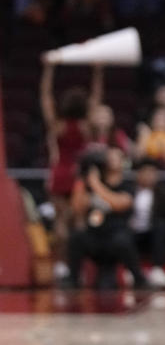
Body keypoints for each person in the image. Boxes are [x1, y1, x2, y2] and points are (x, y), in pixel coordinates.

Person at [40, 58, 99, 277]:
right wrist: (97, 72)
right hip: (77, 175)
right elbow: (96, 99)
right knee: (80, 222)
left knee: (61, 221)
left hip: (59, 173)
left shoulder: (58, 126)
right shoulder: (86, 126)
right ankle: (80, 265)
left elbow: (45, 99)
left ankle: (62, 264)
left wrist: (49, 70)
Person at [67, 147, 147, 289]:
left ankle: (139, 278)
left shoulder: (127, 184)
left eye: (115, 157)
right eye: (108, 157)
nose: (109, 160)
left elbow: (119, 203)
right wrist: (81, 181)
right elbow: (77, 209)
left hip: (116, 236)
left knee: (122, 241)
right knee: (76, 237)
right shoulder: (91, 183)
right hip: (95, 236)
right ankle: (72, 279)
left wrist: (95, 184)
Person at [129, 157, 165, 287]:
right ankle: (131, 270)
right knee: (122, 233)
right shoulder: (130, 190)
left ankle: (157, 269)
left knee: (162, 227)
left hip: (152, 231)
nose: (150, 176)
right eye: (147, 172)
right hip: (133, 230)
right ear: (139, 174)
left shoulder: (162, 192)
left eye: (153, 173)